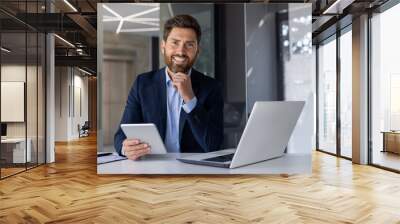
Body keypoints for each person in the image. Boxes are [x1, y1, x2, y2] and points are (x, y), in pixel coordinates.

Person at [114, 14, 223, 160]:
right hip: (152, 168)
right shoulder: (143, 84)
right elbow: (121, 136)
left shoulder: (211, 87)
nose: (181, 51)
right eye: (175, 43)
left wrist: (190, 99)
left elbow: (213, 145)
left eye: (189, 44)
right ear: (163, 46)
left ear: (197, 51)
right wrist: (125, 147)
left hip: (193, 171)